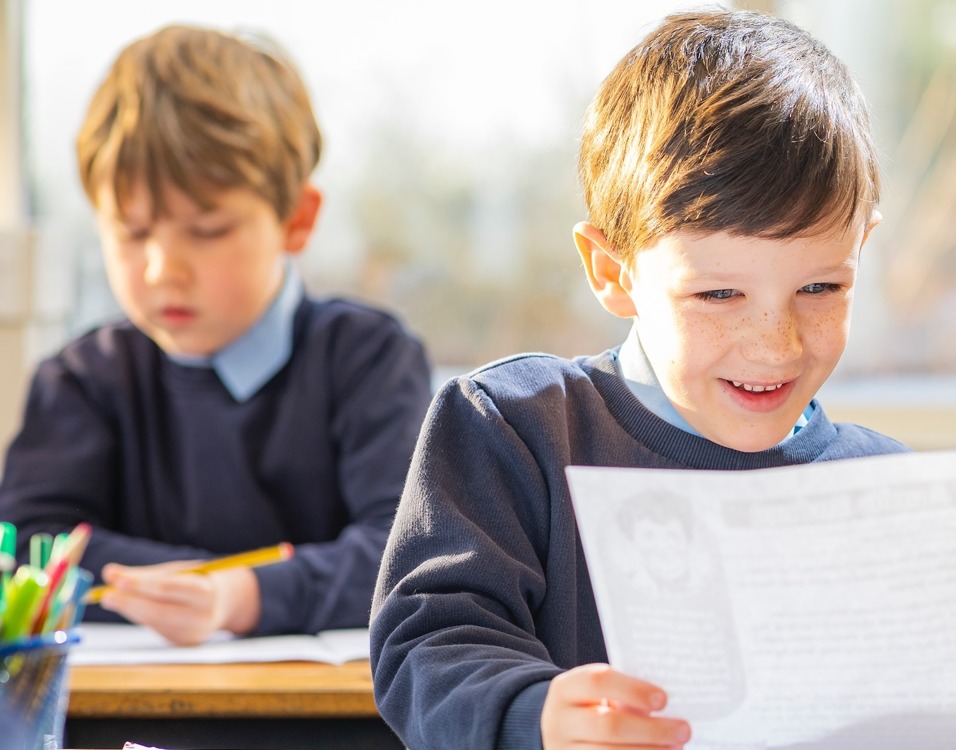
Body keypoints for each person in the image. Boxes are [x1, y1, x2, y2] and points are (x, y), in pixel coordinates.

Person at [368, 11, 904, 750]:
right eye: (718, 295)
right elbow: (428, 648)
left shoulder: (888, 485)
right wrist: (536, 714)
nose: (775, 343)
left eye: (821, 289)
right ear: (612, 271)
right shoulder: (515, 427)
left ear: (861, 250)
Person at [0, 24, 431, 645]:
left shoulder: (369, 361)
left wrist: (239, 596)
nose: (162, 270)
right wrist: (202, 587)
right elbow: (34, 548)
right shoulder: (82, 379)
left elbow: (409, 551)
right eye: (132, 231)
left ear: (296, 219)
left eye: (207, 231)